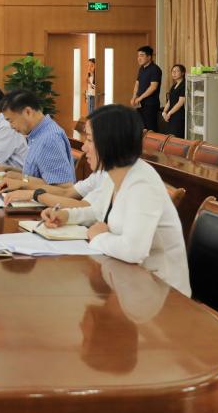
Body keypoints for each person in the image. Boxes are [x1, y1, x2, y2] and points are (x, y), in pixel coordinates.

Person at [37, 104, 190, 296]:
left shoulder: (143, 184)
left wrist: (98, 237)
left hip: (162, 294)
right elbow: (97, 212)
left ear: (110, 143)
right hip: (129, 283)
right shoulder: (115, 173)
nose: (84, 147)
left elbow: (133, 251)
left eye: (89, 140)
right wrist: (66, 216)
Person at [0, 90, 75, 184]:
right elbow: (38, 175)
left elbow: (60, 187)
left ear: (27, 112)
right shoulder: (37, 134)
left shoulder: (49, 138)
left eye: (11, 121)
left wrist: (22, 179)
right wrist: (8, 169)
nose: (11, 126)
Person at [131, 45, 162, 131]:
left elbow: (153, 87)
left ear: (149, 57)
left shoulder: (155, 69)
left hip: (150, 104)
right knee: (141, 127)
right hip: (140, 104)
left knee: (151, 128)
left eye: (142, 55)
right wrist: (134, 97)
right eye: (138, 56)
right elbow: (137, 83)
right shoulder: (141, 68)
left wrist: (140, 98)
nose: (139, 58)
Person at [161, 64, 187, 138]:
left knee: (176, 137)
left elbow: (180, 102)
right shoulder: (173, 86)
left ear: (183, 73)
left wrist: (169, 113)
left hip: (179, 116)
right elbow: (169, 101)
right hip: (171, 116)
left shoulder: (184, 85)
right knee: (169, 137)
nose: (174, 73)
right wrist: (164, 112)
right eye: (173, 71)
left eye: (177, 71)